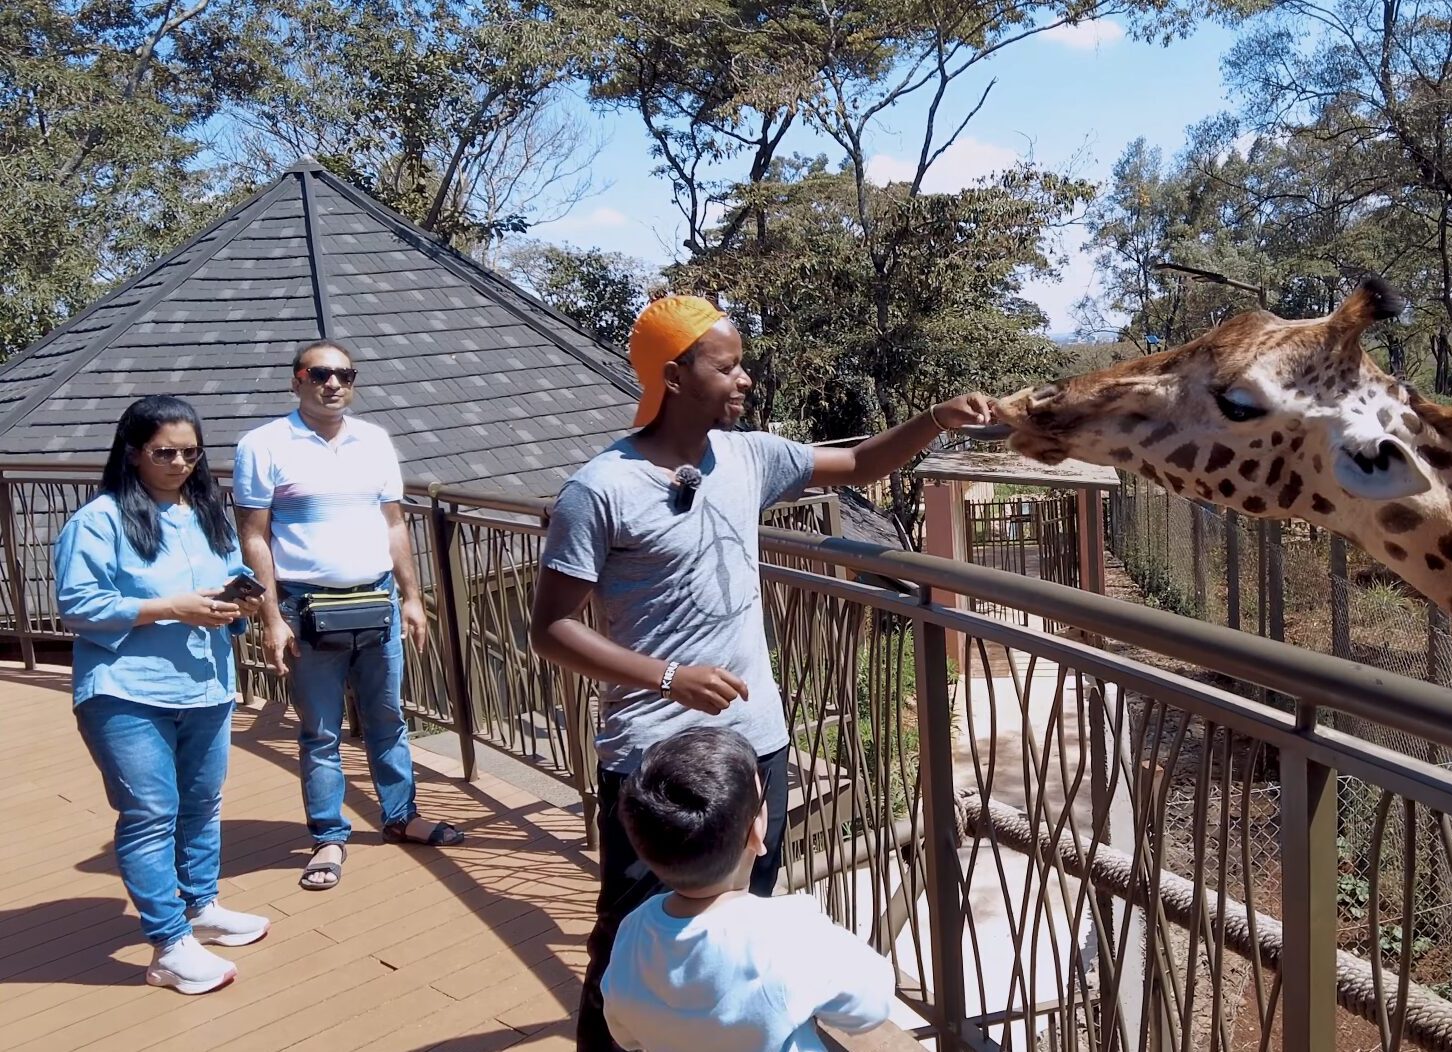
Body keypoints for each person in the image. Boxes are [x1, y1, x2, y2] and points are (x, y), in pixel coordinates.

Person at [529, 293, 992, 1052]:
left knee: (742, 917)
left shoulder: (751, 456)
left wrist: (935, 419)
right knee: (630, 933)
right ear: (675, 378)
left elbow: (860, 463)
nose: (745, 378)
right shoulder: (600, 489)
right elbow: (552, 630)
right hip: (657, 753)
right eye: (728, 365)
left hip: (755, 741)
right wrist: (668, 675)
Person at [54, 395, 272, 995]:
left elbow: (231, 585)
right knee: (151, 812)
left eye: (190, 453)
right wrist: (169, 608)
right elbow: (77, 605)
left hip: (204, 685)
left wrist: (240, 607)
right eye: (165, 453)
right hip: (126, 691)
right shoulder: (97, 521)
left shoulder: (206, 514)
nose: (180, 463)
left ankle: (200, 906)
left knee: (202, 802)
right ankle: (168, 945)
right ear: (132, 453)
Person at [233, 339, 462, 893]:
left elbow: (393, 525)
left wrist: (412, 596)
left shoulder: (374, 441)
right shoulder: (264, 445)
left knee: (388, 719)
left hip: (377, 598)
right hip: (304, 606)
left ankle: (401, 816)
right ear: (297, 380)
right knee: (319, 731)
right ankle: (329, 837)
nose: (333, 383)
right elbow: (254, 536)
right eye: (319, 374)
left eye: (344, 374)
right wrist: (271, 616)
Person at [599, 725, 894, 1052]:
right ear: (757, 831)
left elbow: (623, 1031)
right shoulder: (787, 931)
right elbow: (873, 1002)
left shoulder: (634, 931)